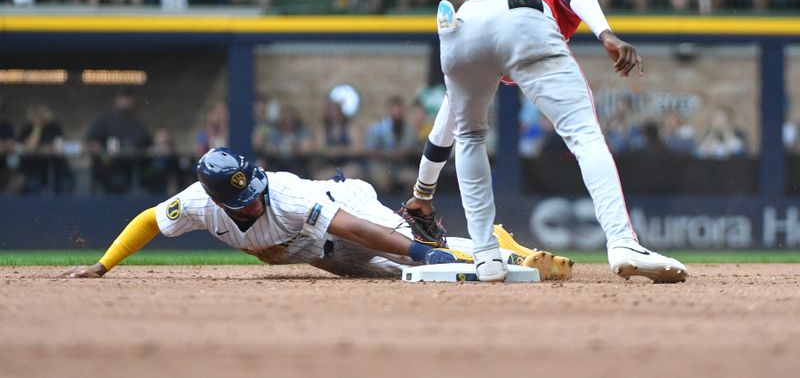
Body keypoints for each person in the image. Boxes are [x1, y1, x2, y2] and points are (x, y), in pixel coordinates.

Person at [395, 0, 687, 283]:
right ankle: (622, 243)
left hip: (462, 24)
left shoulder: (487, 2)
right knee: (584, 135)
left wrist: (422, 194)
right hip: (522, 15)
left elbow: (443, 131)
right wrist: (605, 33)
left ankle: (486, 258)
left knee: (468, 136)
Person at [60, 147, 572, 280]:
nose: (253, 201)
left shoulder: (282, 195)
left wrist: (421, 249)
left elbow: (355, 228)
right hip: (319, 252)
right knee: (394, 275)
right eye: (242, 200)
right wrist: (103, 266)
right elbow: (150, 220)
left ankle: (505, 250)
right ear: (215, 201)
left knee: (417, 259)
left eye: (253, 191)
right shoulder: (197, 203)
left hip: (340, 209)